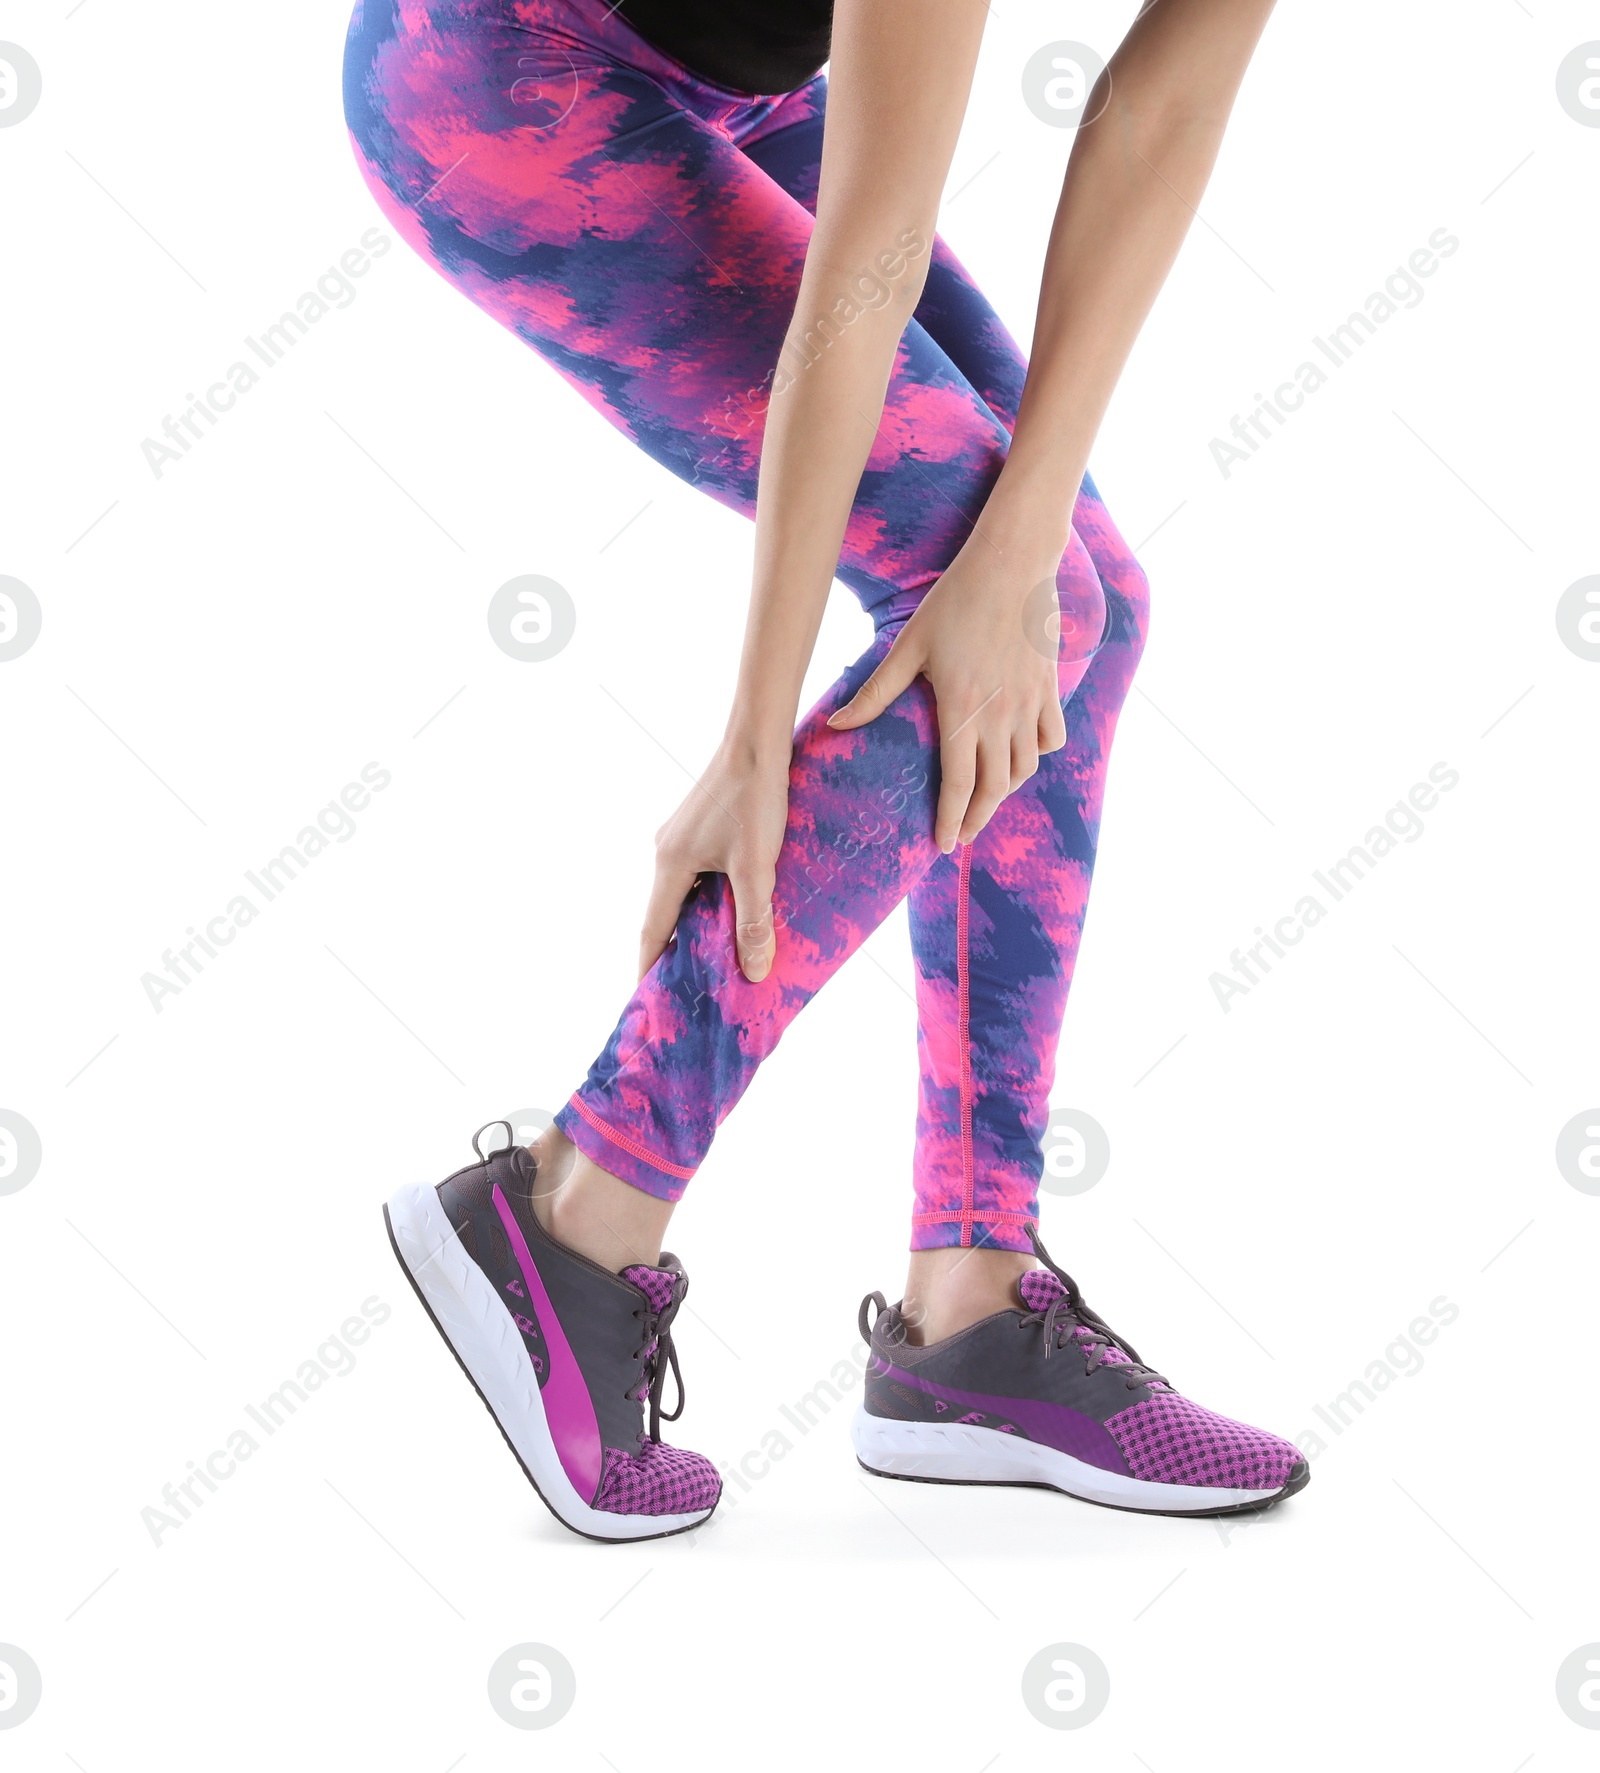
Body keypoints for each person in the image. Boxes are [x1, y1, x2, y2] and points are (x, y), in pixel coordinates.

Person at [345, 0, 1306, 1542]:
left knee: (1080, 605)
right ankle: (574, 1212)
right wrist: (754, 736)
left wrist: (1027, 531)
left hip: (741, 82)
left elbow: (1159, 110)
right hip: (506, 83)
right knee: (1022, 602)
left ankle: (972, 1310)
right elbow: (864, 268)